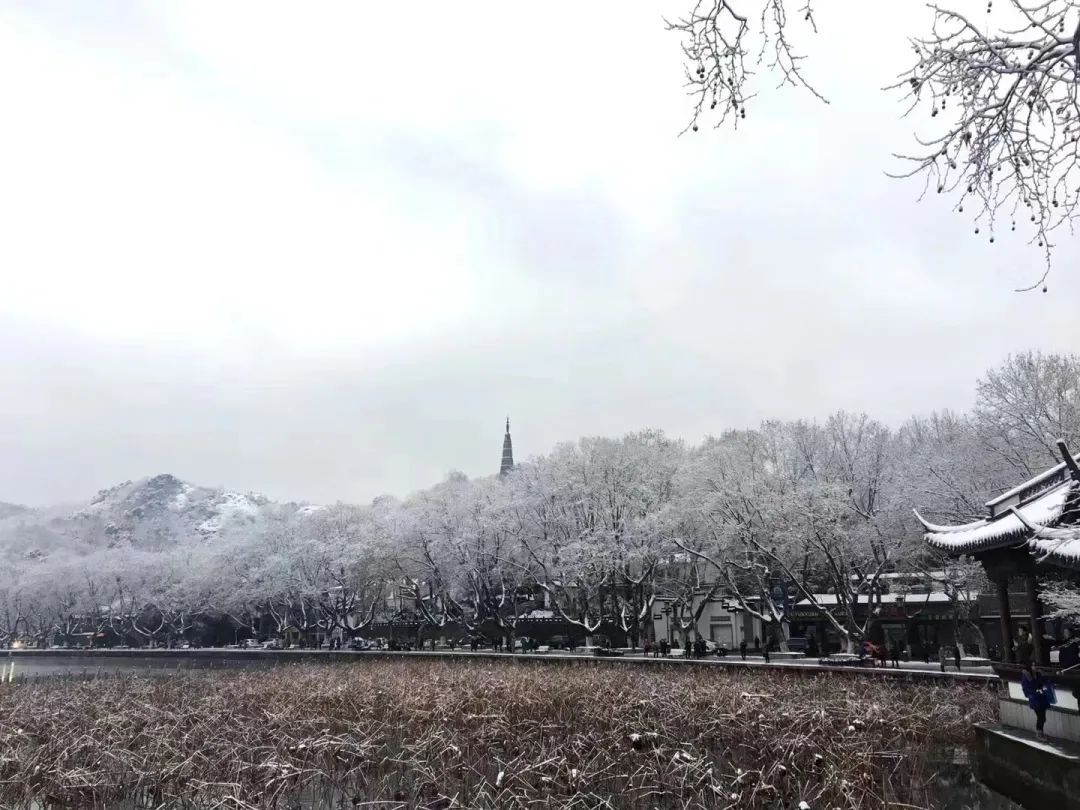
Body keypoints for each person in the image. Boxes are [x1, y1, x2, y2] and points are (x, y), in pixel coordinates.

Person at [1021, 662, 1053, 740]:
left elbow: (1045, 681)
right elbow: (1026, 688)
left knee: (1043, 717)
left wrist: (1044, 676)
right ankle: (1039, 734)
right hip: (1035, 698)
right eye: (1032, 665)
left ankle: (1041, 733)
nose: (1034, 667)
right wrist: (1034, 691)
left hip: (1042, 697)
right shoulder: (1027, 675)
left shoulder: (1038, 674)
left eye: (1035, 665)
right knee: (1040, 716)